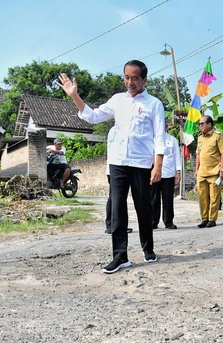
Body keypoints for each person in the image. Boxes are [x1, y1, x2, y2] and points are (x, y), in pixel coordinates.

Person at [58, 59, 166, 274]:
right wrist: (74, 96)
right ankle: (120, 256)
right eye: (127, 77)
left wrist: (158, 165)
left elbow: (159, 136)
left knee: (143, 208)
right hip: (118, 162)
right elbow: (93, 116)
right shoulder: (117, 100)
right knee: (117, 208)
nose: (130, 82)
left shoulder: (154, 104)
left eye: (135, 78)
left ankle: (148, 247)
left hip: (141, 163)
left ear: (144, 79)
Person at [195, 115, 223, 228]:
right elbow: (198, 154)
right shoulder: (199, 138)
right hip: (201, 173)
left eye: (202, 123)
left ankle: (212, 219)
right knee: (202, 197)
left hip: (214, 172)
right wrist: (196, 170)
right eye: (199, 124)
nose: (200, 126)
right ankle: (204, 219)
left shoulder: (217, 136)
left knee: (214, 197)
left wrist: (222, 170)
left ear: (209, 124)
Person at [151, 120, 181, 229]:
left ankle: (168, 221)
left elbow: (177, 156)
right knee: (154, 199)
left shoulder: (172, 140)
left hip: (168, 173)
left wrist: (178, 171)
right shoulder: (151, 139)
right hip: (154, 173)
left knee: (168, 199)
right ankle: (153, 221)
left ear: (166, 126)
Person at [104, 126, 132, 235]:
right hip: (115, 169)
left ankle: (118, 225)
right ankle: (111, 225)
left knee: (119, 199)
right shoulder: (116, 130)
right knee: (114, 198)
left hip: (118, 168)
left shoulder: (119, 129)